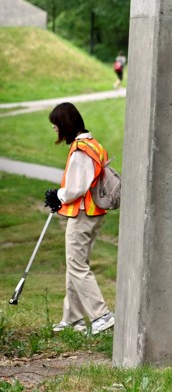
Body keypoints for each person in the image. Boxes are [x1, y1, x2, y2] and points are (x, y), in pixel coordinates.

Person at [44, 102, 116, 335]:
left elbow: (76, 188)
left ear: (65, 123)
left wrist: (58, 195)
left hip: (83, 214)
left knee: (76, 266)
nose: (55, 129)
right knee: (76, 265)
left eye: (56, 125)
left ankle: (101, 315)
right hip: (93, 213)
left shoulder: (80, 150)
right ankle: (72, 320)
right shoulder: (93, 144)